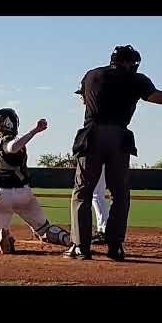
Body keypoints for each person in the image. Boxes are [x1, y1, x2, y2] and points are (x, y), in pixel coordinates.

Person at [66, 45, 162, 261]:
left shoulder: (92, 74)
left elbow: (83, 98)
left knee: (83, 192)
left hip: (92, 134)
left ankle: (80, 247)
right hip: (119, 138)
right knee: (120, 194)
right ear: (128, 62)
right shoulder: (137, 79)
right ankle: (115, 247)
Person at [0, 108, 71, 254]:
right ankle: (69, 240)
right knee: (44, 229)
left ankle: (0, 236)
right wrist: (35, 131)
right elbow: (12, 147)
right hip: (23, 194)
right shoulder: (10, 141)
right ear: (14, 124)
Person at [74, 91, 110, 245]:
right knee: (98, 193)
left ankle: (104, 229)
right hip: (109, 151)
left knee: (96, 193)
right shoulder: (98, 110)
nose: (80, 97)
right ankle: (105, 228)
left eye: (82, 94)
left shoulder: (95, 112)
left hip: (99, 152)